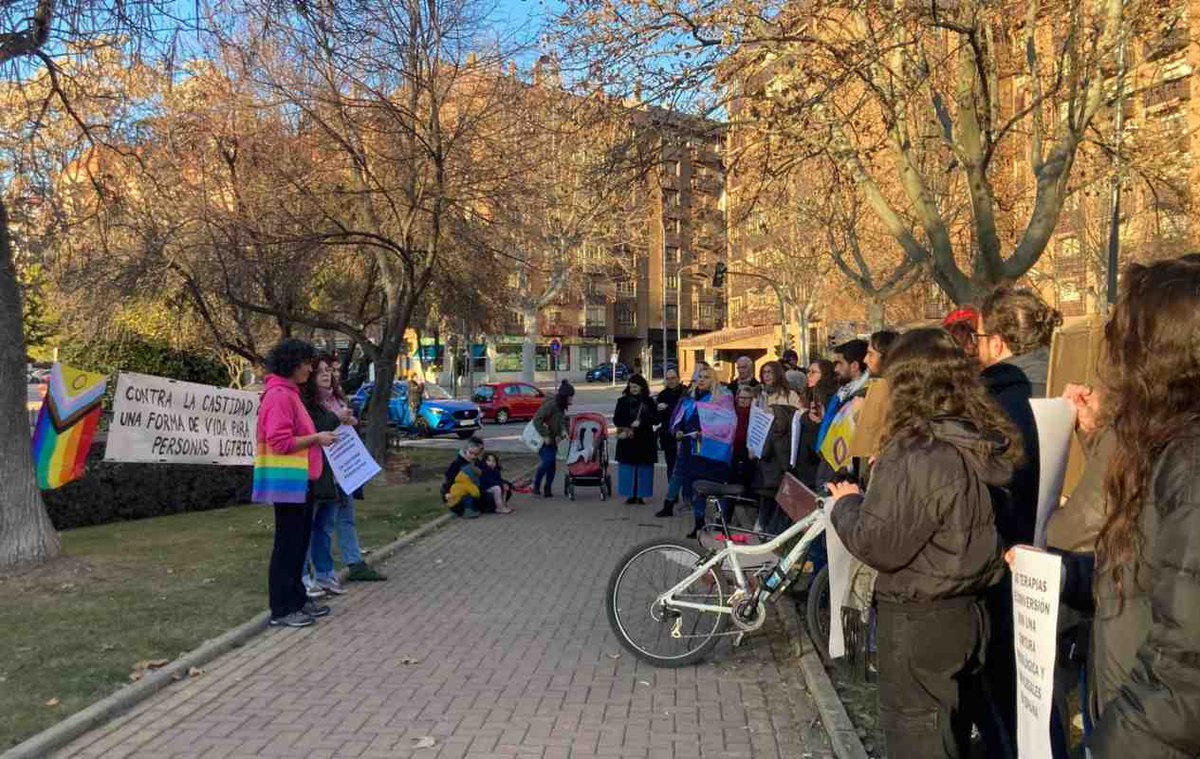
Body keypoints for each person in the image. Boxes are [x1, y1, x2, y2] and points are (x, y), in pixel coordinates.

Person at [828, 327, 1019, 758]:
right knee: (951, 731)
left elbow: (878, 543)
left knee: (920, 738)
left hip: (920, 620)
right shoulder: (974, 437)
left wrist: (848, 503)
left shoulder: (916, 450)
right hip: (968, 613)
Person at [1085, 256, 1200, 757]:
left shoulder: (1190, 463)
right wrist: (1065, 574)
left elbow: (1187, 668)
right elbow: (1152, 573)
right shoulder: (1164, 444)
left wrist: (1114, 741)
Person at [972, 287, 1060, 758]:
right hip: (1073, 563)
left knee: (1011, 693)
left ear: (1000, 342)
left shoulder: (995, 402)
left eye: (981, 336)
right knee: (1047, 701)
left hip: (1010, 566)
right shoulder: (1074, 385)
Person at [254, 339, 338, 629]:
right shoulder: (279, 395)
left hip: (301, 480)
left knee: (299, 543)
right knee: (288, 546)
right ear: (291, 364)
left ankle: (298, 600)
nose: (309, 369)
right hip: (289, 482)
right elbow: (280, 442)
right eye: (305, 363)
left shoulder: (290, 393)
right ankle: (282, 608)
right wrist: (316, 438)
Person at [302, 357, 384, 596]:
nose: (326, 375)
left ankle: (330, 573)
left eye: (329, 370)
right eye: (320, 372)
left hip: (344, 470)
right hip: (322, 472)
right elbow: (317, 427)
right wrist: (338, 418)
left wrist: (350, 421)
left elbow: (344, 428)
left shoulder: (337, 399)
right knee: (311, 526)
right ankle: (306, 575)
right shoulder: (308, 402)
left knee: (330, 524)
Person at [673, 365, 734, 538]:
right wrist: (678, 429)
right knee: (697, 489)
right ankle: (699, 525)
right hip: (694, 451)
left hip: (716, 453)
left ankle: (720, 524)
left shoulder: (723, 399)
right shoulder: (690, 400)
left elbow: (728, 425)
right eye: (699, 376)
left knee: (719, 489)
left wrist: (706, 433)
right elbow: (680, 419)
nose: (701, 380)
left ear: (713, 380)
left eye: (706, 377)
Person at [751, 361, 801, 535]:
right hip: (764, 449)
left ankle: (776, 528)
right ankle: (763, 523)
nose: (766, 375)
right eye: (764, 372)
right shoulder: (759, 395)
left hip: (782, 449)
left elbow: (797, 418)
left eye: (770, 372)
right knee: (765, 489)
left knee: (781, 489)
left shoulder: (790, 394)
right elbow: (754, 422)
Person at [614, 373, 658, 505]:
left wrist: (642, 422)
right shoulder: (622, 401)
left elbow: (656, 419)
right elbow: (617, 419)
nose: (633, 389)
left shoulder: (649, 402)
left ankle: (641, 495)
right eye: (631, 387)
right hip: (628, 439)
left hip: (644, 439)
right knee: (627, 469)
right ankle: (629, 494)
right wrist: (629, 423)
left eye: (635, 387)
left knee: (644, 469)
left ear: (642, 387)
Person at [795, 358, 837, 487]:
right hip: (804, 463)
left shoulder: (827, 398)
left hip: (816, 464)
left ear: (825, 375)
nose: (808, 375)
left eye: (813, 372)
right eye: (808, 372)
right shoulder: (809, 396)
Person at [531, 380, 574, 497]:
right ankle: (536, 485)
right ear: (564, 397)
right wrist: (545, 435)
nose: (572, 400)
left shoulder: (561, 406)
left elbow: (561, 422)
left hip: (553, 439)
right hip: (543, 439)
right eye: (570, 397)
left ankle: (547, 488)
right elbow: (537, 419)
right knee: (547, 462)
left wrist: (564, 432)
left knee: (551, 465)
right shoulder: (551, 405)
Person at [441, 437, 491, 517]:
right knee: (468, 500)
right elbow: (449, 478)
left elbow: (484, 474)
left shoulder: (477, 461)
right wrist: (446, 493)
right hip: (459, 491)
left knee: (490, 501)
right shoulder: (457, 463)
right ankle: (462, 509)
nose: (473, 456)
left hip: (474, 488)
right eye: (471, 453)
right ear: (466, 449)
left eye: (476, 454)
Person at [655, 368, 686, 481]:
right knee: (671, 465)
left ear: (678, 378)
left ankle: (686, 494)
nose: (671, 381)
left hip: (684, 434)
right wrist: (657, 409)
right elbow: (657, 419)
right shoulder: (662, 394)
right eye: (668, 379)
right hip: (668, 435)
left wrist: (668, 408)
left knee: (686, 466)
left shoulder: (686, 392)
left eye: (673, 378)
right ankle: (672, 495)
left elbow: (685, 412)